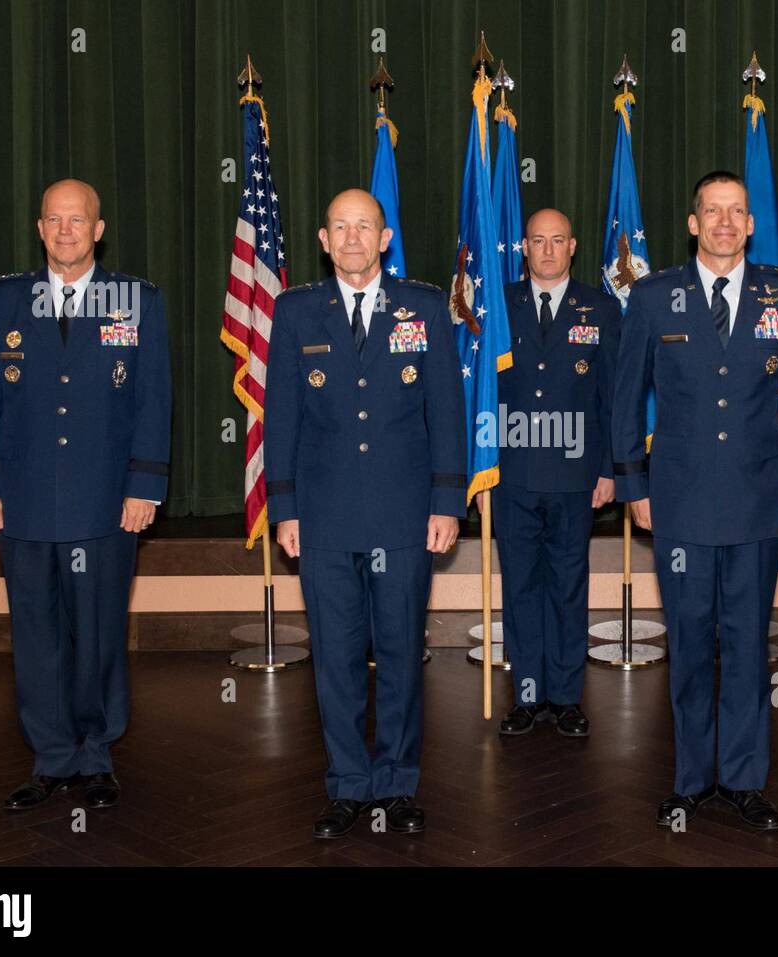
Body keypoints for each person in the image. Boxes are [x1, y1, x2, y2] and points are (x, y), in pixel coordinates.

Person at [612, 171, 778, 830]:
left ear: (751, 224)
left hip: (760, 498)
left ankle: (744, 777)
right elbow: (623, 403)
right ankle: (691, 778)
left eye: (737, 211)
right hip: (680, 502)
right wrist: (634, 487)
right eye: (713, 210)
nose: (726, 221)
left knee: (748, 643)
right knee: (692, 644)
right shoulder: (653, 298)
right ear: (693, 222)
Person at [0, 178, 171, 811]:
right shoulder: (4, 301)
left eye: (76, 220)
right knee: (36, 632)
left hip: (105, 501)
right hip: (22, 499)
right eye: (54, 220)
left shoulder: (134, 300)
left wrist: (145, 485)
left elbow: (152, 398)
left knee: (100, 630)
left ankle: (97, 754)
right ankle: (50, 757)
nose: (65, 230)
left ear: (98, 230)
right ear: (39, 228)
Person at [265, 188, 467, 839]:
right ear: (323, 240)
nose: (353, 238)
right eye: (340, 228)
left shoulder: (426, 307)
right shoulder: (296, 313)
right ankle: (349, 783)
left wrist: (446, 501)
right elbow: (283, 418)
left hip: (406, 515)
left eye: (366, 228)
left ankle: (397, 782)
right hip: (322, 518)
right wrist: (285, 507)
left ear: (385, 239)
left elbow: (446, 414)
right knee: (337, 655)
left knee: (403, 653)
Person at [488, 208, 619, 737]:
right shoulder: (500, 306)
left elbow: (613, 397)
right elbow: (481, 395)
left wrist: (610, 470)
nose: (546, 250)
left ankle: (565, 696)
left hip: (576, 475)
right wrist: (483, 472)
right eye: (537, 241)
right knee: (520, 586)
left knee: (568, 585)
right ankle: (525, 696)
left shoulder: (603, 309)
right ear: (523, 248)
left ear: (573, 246)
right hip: (513, 473)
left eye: (557, 240)